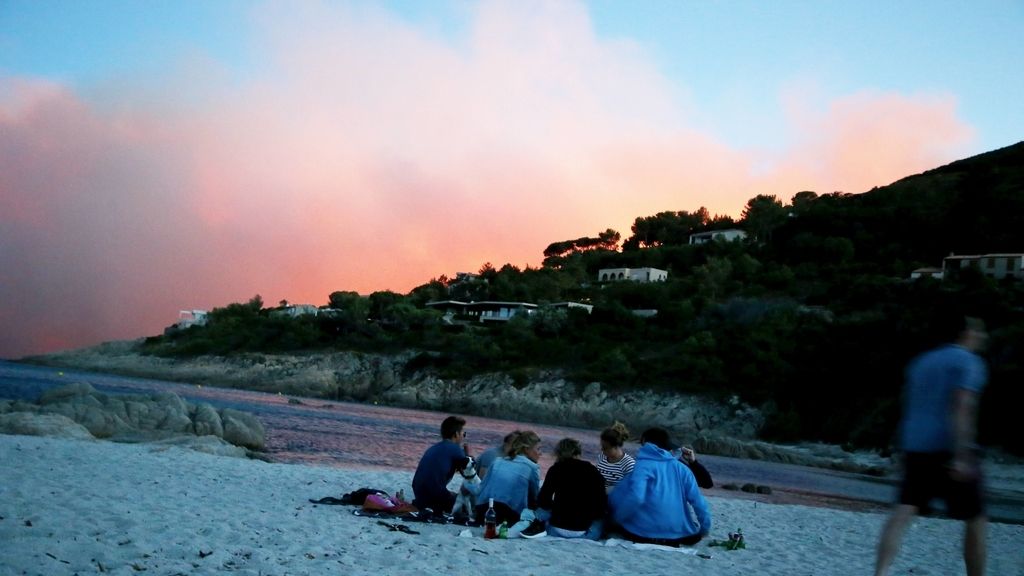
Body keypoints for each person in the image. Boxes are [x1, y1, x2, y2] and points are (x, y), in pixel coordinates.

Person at [874, 315, 989, 576]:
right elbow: (962, 406)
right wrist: (962, 454)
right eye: (979, 331)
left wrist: (901, 450)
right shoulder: (969, 362)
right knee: (976, 518)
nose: (983, 336)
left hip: (916, 447)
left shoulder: (921, 363)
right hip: (948, 448)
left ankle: (880, 572)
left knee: (904, 510)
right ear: (966, 333)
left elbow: (908, 407)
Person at [608, 427, 711, 546]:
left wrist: (617, 519)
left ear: (645, 443)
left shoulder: (642, 466)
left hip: (643, 534)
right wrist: (704, 530)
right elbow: (699, 503)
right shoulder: (682, 469)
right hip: (678, 536)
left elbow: (636, 497)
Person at [532, 438, 607, 539]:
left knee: (541, 512)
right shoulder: (593, 471)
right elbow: (600, 507)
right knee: (602, 519)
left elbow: (543, 501)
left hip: (556, 529)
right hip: (584, 533)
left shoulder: (555, 469)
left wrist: (558, 507)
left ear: (558, 453)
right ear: (578, 452)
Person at [471, 430, 542, 526]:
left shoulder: (497, 461)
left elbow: (480, 488)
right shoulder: (532, 467)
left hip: (483, 511)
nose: (540, 453)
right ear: (526, 449)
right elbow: (534, 499)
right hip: (507, 515)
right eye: (538, 449)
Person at [411, 415, 470, 515]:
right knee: (465, 504)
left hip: (418, 492)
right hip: (435, 495)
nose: (463, 437)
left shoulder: (434, 448)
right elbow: (468, 472)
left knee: (449, 494)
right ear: (456, 434)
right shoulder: (455, 449)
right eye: (463, 434)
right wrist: (467, 454)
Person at [596, 421, 635, 492]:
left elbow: (630, 489)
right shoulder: (601, 457)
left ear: (616, 446)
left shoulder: (629, 464)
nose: (602, 450)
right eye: (601, 446)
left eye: (605, 448)